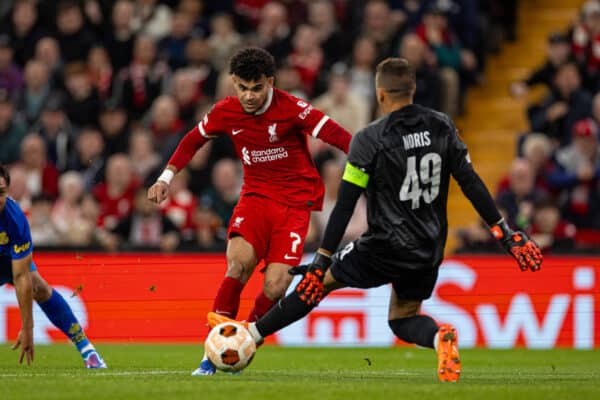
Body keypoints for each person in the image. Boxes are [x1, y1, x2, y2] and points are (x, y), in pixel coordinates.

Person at [208, 58, 543, 382]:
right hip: (429, 246)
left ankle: (250, 335)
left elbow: (345, 204)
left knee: (318, 284)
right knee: (403, 318)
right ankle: (440, 338)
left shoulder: (370, 139)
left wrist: (321, 259)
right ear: (412, 89)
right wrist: (506, 233)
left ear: (380, 93)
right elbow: (470, 183)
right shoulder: (441, 124)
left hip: (384, 243)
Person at [147, 47, 352, 376]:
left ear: (270, 82)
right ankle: (212, 352)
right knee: (238, 265)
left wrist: (370, 160)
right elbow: (192, 140)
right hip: (255, 197)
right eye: (242, 88)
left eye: (257, 88)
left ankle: (244, 342)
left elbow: (337, 135)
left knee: (275, 288)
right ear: (233, 83)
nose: (249, 96)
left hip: (294, 205)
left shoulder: (293, 108)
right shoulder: (226, 111)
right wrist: (165, 177)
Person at [0, 164, 106, 368]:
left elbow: (22, 278)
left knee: (39, 287)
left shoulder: (16, 219)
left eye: (1, 192)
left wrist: (27, 325)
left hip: (6, 260)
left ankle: (87, 350)